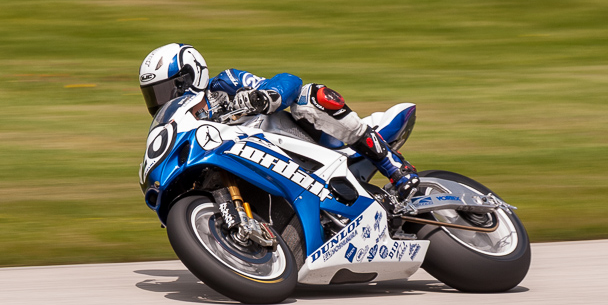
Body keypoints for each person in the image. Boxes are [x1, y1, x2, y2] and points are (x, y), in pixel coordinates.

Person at [139, 43, 420, 200]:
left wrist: (265, 96)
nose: (163, 100)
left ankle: (392, 165)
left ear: (190, 75)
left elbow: (289, 82)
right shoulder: (182, 126)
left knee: (311, 96)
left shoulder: (224, 84)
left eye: (168, 90)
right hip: (260, 171)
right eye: (154, 95)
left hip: (307, 145)